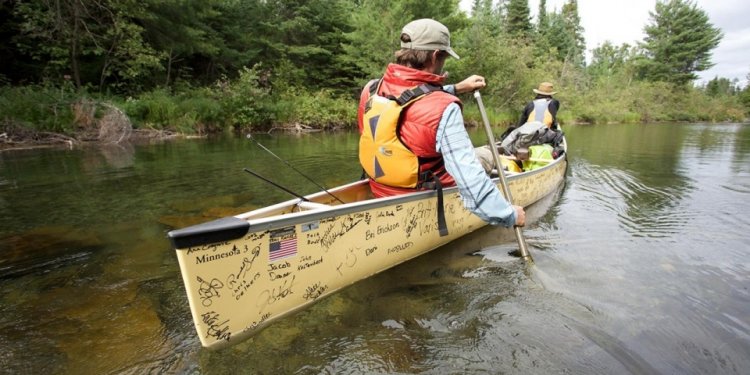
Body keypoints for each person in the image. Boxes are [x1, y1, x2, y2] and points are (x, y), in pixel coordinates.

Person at [357, 18, 524, 228]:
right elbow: (471, 183)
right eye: (444, 57)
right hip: (423, 195)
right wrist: (509, 215)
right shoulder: (444, 108)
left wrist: (457, 88)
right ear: (436, 55)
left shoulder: (371, 90)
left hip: (380, 188)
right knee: (487, 154)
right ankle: (501, 153)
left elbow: (408, 101)